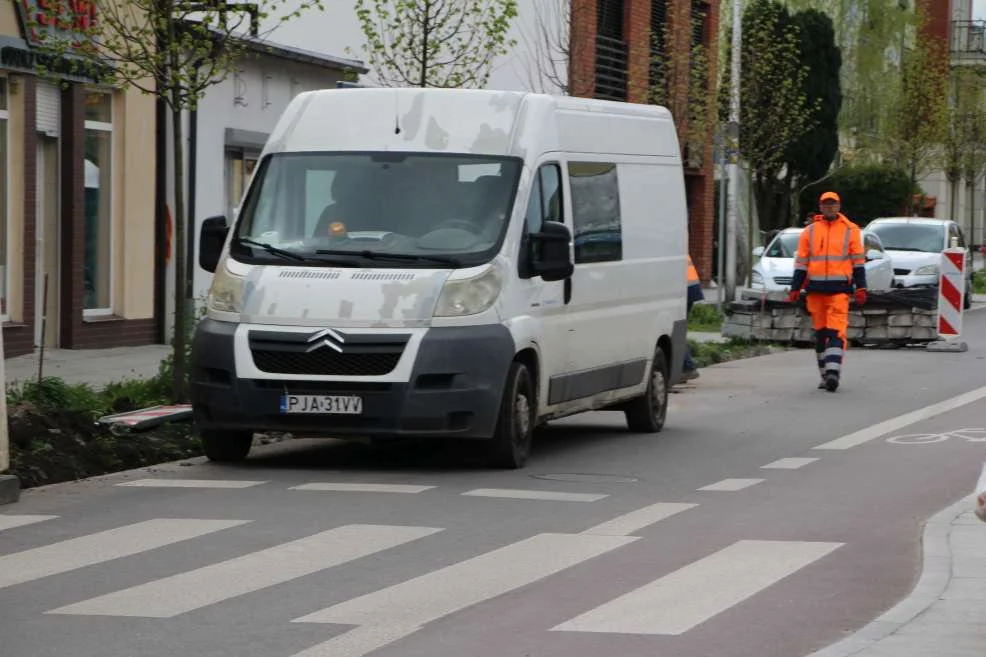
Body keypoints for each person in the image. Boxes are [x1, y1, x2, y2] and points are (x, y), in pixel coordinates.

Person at [787, 191, 867, 392]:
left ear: (839, 206)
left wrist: (861, 287)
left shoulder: (851, 230)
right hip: (815, 291)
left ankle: (833, 373)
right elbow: (802, 263)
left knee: (836, 332)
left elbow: (858, 261)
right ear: (820, 207)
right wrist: (795, 288)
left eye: (833, 204)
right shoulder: (810, 231)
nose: (830, 207)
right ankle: (825, 375)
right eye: (826, 205)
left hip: (839, 290)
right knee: (821, 334)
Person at [682, 255, 704, 382]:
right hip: (690, 288)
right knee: (679, 331)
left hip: (685, 289)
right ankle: (683, 368)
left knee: (674, 332)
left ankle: (687, 367)